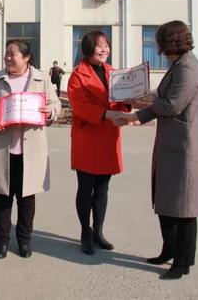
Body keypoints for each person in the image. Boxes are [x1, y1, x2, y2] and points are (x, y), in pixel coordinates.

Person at [113, 20, 198, 280]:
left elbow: (172, 105)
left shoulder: (187, 68)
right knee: (167, 200)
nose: (157, 48)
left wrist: (140, 108)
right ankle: (169, 249)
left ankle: (183, 262)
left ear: (169, 43)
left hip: (185, 147)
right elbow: (164, 99)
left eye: (159, 42)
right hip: (171, 144)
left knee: (184, 207)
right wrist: (136, 112)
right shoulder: (178, 64)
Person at [0, 39, 61, 259]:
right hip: (3, 149)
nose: (7, 57)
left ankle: (24, 241)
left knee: (26, 201)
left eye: (12, 54)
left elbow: (55, 103)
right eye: (6, 53)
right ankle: (2, 242)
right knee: (3, 199)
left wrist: (50, 111)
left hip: (30, 150)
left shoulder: (42, 78)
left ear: (26, 58)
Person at [67, 30, 131, 255]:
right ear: (88, 48)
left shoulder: (113, 72)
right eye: (99, 45)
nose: (104, 49)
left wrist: (127, 101)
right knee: (86, 188)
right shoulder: (77, 75)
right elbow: (80, 106)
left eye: (106, 45)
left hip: (108, 137)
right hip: (87, 138)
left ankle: (98, 231)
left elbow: (119, 102)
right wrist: (106, 114)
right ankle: (85, 232)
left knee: (103, 188)